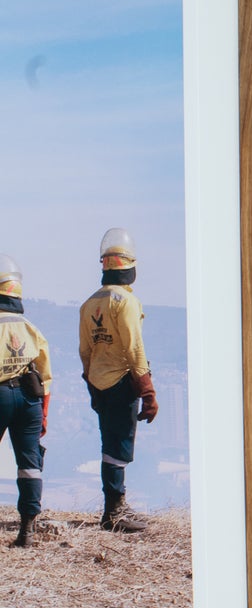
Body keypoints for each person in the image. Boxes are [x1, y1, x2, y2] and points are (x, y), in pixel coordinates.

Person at [78, 228, 156, 532]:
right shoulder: (126, 302)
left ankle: (115, 505)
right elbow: (134, 348)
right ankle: (114, 513)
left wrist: (91, 385)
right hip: (123, 380)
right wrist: (147, 390)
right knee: (119, 444)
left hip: (98, 380)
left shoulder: (89, 304)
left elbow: (85, 350)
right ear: (130, 267)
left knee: (108, 442)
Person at [0, 256, 52, 548]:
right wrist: (43, 414)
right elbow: (46, 375)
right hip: (30, 398)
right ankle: (27, 530)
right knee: (30, 463)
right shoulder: (30, 327)